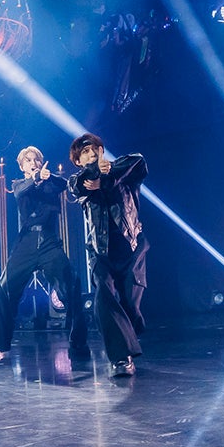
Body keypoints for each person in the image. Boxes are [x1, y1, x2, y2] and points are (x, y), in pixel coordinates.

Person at [0, 146, 90, 364]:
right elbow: (21, 192)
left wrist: (47, 177)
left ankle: (78, 343)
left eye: (36, 160)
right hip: (26, 243)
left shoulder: (51, 183)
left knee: (71, 285)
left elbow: (63, 184)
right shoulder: (18, 184)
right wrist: (36, 178)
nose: (33, 163)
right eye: (28, 161)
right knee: (3, 290)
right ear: (22, 166)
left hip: (49, 241)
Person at [69, 133, 147, 377]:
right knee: (104, 296)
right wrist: (96, 174)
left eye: (95, 149)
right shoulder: (80, 182)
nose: (92, 154)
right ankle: (121, 358)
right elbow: (76, 184)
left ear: (102, 150)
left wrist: (108, 174)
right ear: (78, 161)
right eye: (85, 152)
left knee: (130, 307)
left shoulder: (123, 172)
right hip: (100, 251)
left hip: (131, 246)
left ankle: (129, 333)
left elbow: (139, 160)